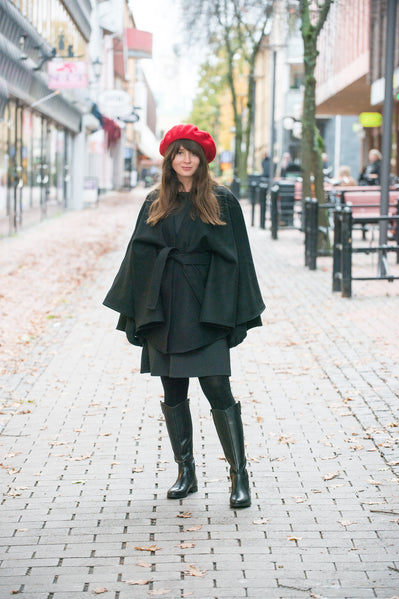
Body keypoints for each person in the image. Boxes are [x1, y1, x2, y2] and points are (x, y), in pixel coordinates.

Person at [103, 124, 265, 509]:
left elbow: (239, 258)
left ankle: (238, 476)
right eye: (179, 153)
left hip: (207, 306)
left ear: (203, 157)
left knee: (216, 386)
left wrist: (236, 314)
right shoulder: (155, 200)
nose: (186, 159)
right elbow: (137, 255)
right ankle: (186, 472)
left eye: (192, 152)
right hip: (166, 305)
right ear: (169, 159)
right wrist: (135, 313)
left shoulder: (222, 200)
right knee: (173, 391)